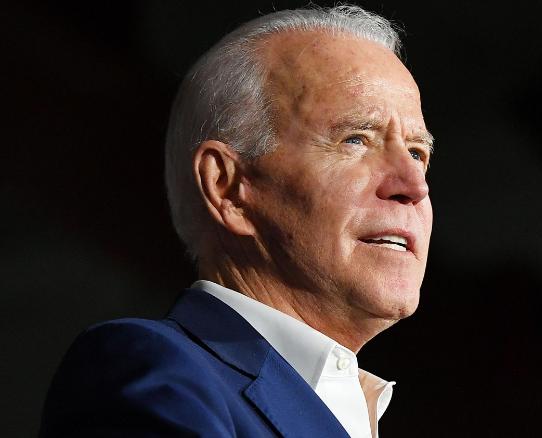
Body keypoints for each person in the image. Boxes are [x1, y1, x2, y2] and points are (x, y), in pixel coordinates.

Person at [39, 5, 434, 438]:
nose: (414, 185)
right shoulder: (157, 374)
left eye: (417, 152)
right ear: (228, 188)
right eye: (356, 139)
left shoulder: (354, 406)